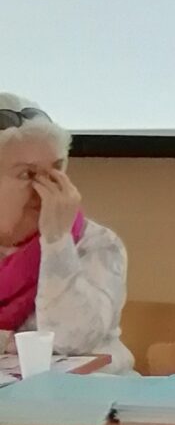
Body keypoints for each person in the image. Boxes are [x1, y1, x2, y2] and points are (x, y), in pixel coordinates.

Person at [0, 97, 129, 366]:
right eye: (27, 174)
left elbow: (71, 340)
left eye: (56, 171)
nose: (45, 187)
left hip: (89, 389)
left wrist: (57, 242)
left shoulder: (97, 243)